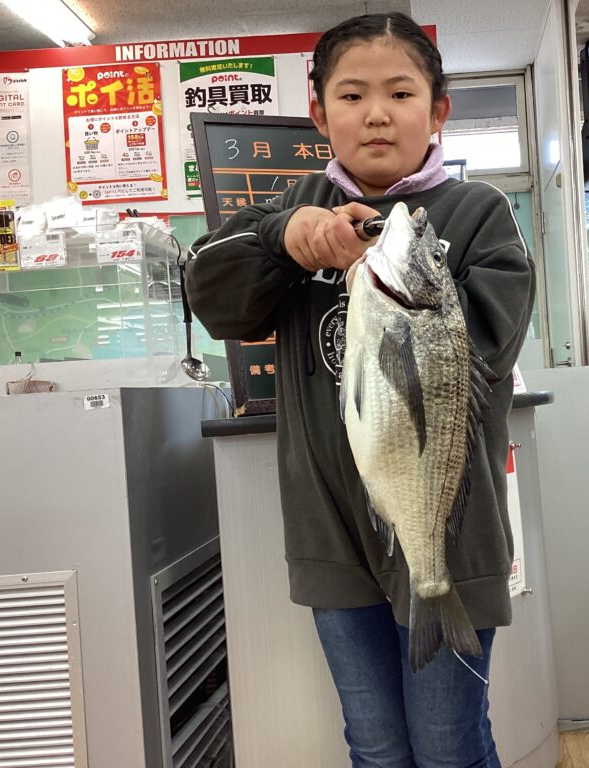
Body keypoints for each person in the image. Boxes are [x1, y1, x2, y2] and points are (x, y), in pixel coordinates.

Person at [186, 12, 534, 768]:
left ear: (437, 111)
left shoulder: (479, 213)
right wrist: (283, 241)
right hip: (330, 531)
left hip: (450, 531)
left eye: (401, 93)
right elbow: (213, 296)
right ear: (320, 113)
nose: (377, 114)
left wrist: (404, 273)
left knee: (448, 746)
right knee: (373, 745)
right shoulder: (293, 206)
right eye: (352, 95)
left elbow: (487, 349)